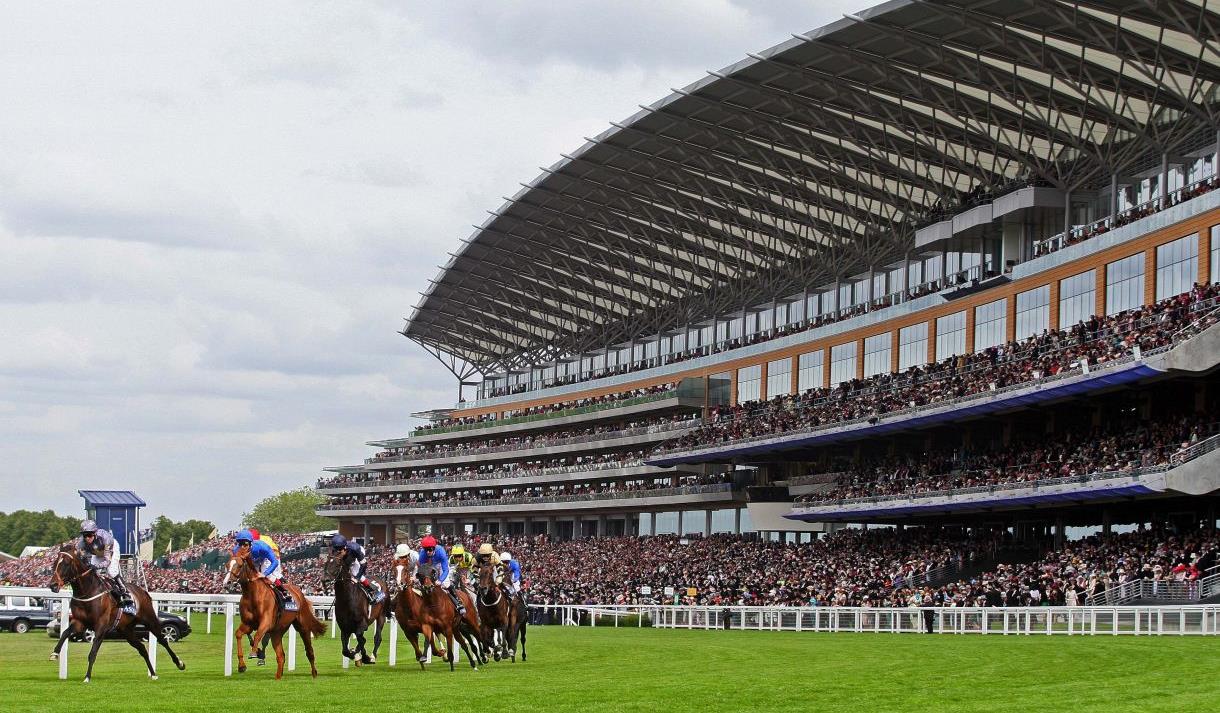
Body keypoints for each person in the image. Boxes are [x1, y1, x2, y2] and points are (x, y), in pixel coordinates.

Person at [77, 519, 134, 611]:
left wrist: (96, 566)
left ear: (95, 533)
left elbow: (107, 561)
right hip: (97, 552)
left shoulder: (106, 538)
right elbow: (79, 557)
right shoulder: (81, 543)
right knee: (92, 572)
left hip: (111, 549)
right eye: (84, 535)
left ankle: (125, 593)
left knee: (111, 571)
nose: (87, 538)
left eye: (89, 535)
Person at [233, 529, 295, 610]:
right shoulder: (236, 550)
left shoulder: (262, 547)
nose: (242, 547)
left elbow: (274, 562)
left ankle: (284, 592)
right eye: (240, 544)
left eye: (245, 544)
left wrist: (264, 574)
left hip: (265, 559)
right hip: (252, 561)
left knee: (268, 576)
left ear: (251, 543)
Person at [417, 535, 465, 615]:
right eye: (426, 550)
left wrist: (440, 580)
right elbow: (423, 570)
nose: (428, 552)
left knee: (446, 584)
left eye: (429, 549)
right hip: (429, 565)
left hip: (440, 565)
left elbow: (446, 570)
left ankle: (458, 603)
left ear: (434, 548)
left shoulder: (441, 552)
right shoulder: (422, 554)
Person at [330, 534, 384, 603]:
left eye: (339, 551)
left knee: (355, 572)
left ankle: (375, 589)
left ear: (344, 548)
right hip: (348, 556)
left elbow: (364, 565)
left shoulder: (355, 549)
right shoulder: (337, 549)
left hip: (356, 554)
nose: (338, 553)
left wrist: (357, 578)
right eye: (336, 551)